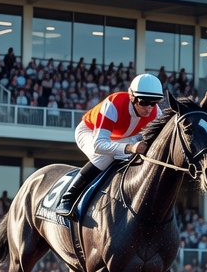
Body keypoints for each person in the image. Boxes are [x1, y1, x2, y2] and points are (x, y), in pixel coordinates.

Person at [54, 73, 165, 216]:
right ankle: (68, 198)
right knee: (106, 156)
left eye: (154, 102)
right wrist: (130, 148)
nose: (149, 108)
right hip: (90, 133)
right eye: (143, 102)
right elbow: (99, 145)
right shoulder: (113, 104)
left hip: (122, 137)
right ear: (132, 96)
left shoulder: (156, 114)